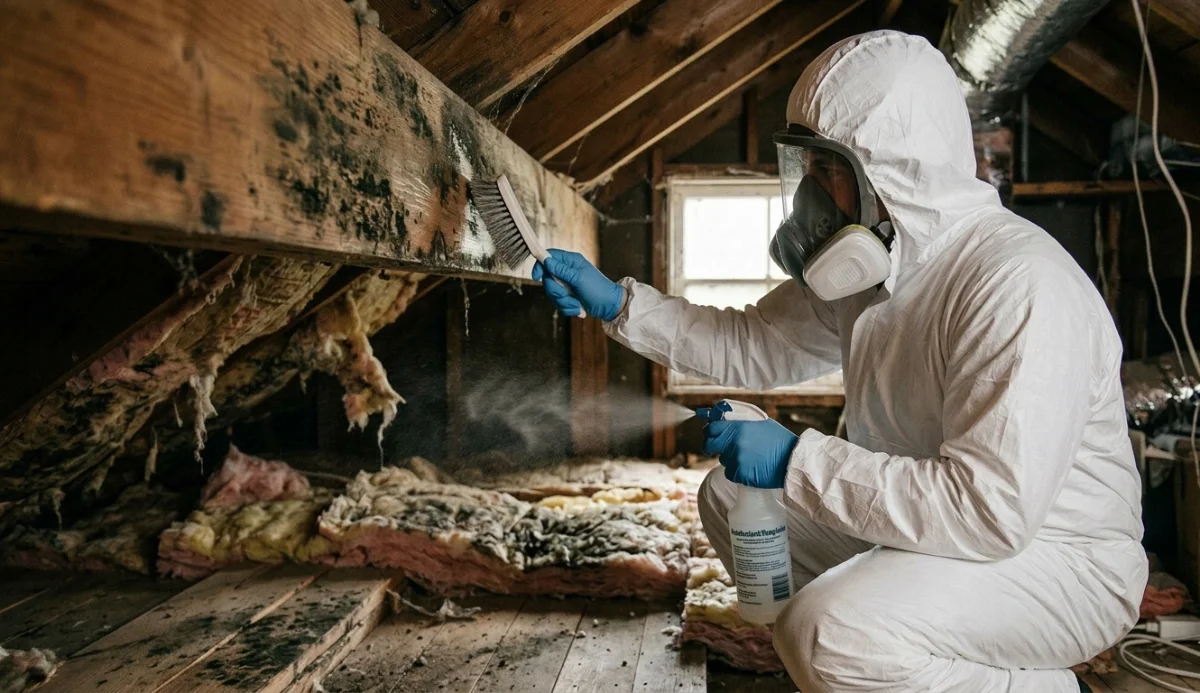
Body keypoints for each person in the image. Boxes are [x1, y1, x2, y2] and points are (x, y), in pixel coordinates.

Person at [531, 29, 1147, 693]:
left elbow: (986, 511)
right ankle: (881, 668)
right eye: (809, 169)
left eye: (832, 171)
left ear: (897, 170)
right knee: (732, 495)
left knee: (828, 632)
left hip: (1056, 562)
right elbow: (751, 343)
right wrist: (618, 305)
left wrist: (798, 459)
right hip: (939, 533)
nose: (812, 198)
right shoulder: (877, 272)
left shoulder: (1013, 284)